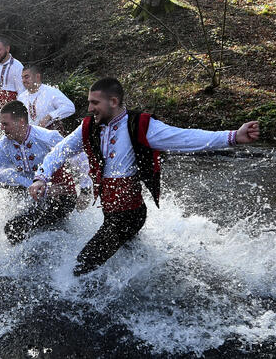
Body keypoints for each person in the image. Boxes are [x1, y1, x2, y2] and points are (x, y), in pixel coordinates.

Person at [29, 77, 260, 276]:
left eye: (94, 103)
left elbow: (184, 138)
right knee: (123, 255)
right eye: (89, 102)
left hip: (131, 213)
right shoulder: (89, 127)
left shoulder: (140, 125)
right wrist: (41, 177)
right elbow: (60, 151)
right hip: (111, 213)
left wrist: (233, 137)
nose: (90, 108)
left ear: (114, 102)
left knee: (84, 264)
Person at [0, 101, 92, 243]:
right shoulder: (4, 144)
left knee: (14, 228)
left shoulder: (46, 137)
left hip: (62, 195)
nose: (2, 128)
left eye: (5, 124)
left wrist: (85, 190)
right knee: (15, 226)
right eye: (1, 124)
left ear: (21, 121)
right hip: (35, 194)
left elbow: (79, 158)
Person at [17, 65, 75, 134]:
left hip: (51, 136)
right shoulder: (21, 97)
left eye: (26, 77)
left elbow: (70, 107)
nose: (23, 81)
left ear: (37, 77)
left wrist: (50, 116)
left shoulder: (51, 92)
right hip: (31, 137)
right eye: (22, 78)